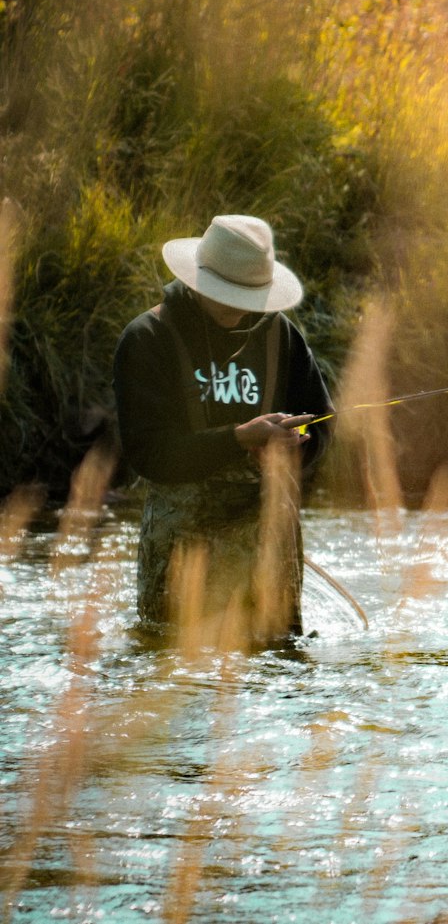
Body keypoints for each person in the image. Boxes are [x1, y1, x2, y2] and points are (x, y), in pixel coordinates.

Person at [114, 214, 333, 644]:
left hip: (271, 557)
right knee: (170, 677)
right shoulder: (147, 338)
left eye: (249, 296)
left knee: (277, 669)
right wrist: (238, 439)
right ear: (197, 281)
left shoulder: (282, 338)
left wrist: (294, 447)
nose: (238, 306)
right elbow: (149, 454)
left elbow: (322, 425)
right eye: (227, 295)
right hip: (181, 562)